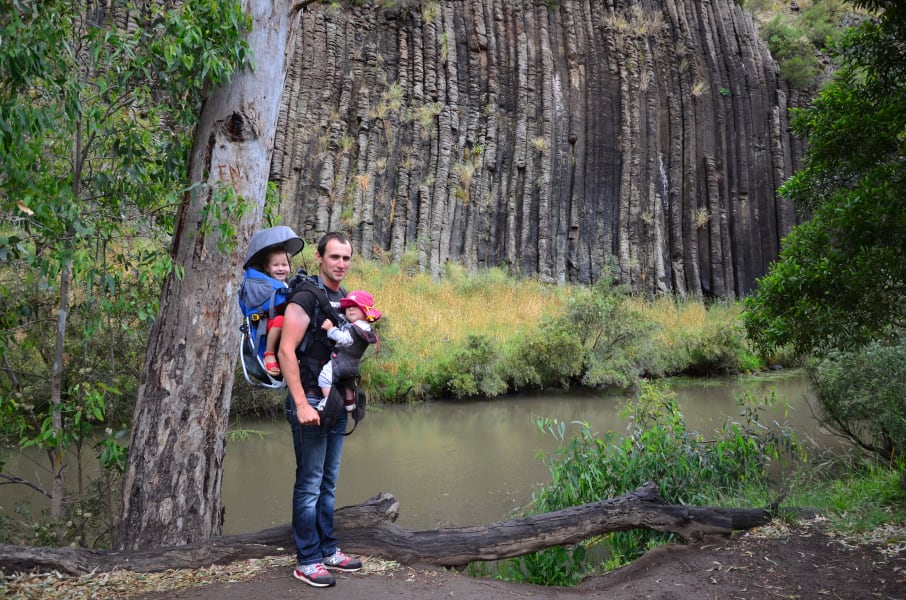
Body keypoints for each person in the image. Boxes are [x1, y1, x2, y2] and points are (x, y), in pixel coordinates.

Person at [277, 232, 363, 589]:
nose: (340, 264)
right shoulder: (305, 297)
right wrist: (300, 404)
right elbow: (285, 351)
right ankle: (308, 560)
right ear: (319, 257)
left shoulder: (345, 300)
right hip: (310, 402)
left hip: (335, 401)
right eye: (334, 257)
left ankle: (328, 549)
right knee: (310, 484)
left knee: (328, 483)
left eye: (346, 258)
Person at [317, 290, 381, 412]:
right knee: (347, 382)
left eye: (355, 307)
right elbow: (347, 323)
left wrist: (331, 329)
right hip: (353, 366)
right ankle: (349, 404)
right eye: (348, 307)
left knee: (324, 378)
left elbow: (344, 339)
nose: (351, 309)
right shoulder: (365, 327)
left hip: (342, 363)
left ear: (365, 310)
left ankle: (327, 401)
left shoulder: (357, 329)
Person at [260, 248, 292, 376]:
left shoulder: (290, 284)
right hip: (268, 321)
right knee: (280, 320)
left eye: (284, 265)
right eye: (276, 265)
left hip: (290, 322)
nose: (280, 268)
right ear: (267, 268)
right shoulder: (265, 285)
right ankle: (269, 354)